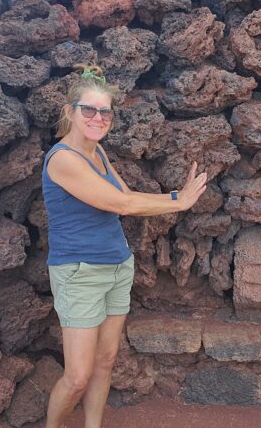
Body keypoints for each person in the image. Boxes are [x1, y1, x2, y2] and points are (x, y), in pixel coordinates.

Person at [42, 65, 208, 428]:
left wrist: (176, 196)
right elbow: (122, 206)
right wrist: (178, 201)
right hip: (79, 273)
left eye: (105, 112)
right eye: (88, 109)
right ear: (69, 111)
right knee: (77, 377)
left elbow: (126, 195)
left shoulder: (97, 152)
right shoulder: (63, 160)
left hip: (117, 266)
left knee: (106, 361)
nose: (97, 118)